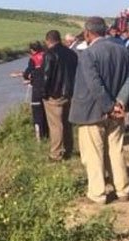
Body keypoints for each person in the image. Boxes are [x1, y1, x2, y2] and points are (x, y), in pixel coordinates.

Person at [69, 17, 129, 205]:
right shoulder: (123, 50)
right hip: (117, 112)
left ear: (88, 33)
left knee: (93, 154)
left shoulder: (88, 54)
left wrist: (109, 106)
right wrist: (120, 102)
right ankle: (123, 190)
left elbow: (94, 85)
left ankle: (98, 194)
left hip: (93, 112)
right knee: (116, 151)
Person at [42, 29, 78, 161]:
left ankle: (55, 154)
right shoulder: (72, 54)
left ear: (48, 41)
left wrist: (44, 93)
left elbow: (46, 76)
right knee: (67, 123)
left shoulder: (49, 54)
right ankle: (69, 149)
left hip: (54, 94)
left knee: (55, 125)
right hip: (69, 93)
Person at [19, 41, 48, 140]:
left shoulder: (33, 59)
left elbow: (28, 73)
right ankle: (48, 134)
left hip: (37, 90)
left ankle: (39, 137)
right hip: (49, 89)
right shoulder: (47, 56)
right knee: (46, 113)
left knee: (37, 113)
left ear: (32, 50)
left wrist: (27, 78)